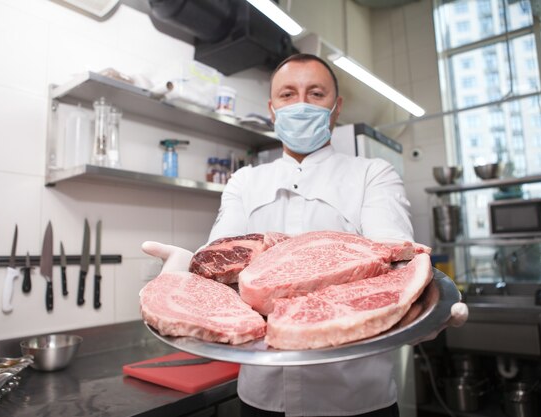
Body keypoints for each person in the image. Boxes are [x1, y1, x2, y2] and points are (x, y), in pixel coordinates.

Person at [142, 53, 468, 417]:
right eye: (287, 94)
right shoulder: (245, 181)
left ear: (336, 107)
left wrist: (421, 312)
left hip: (355, 396)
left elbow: (397, 258)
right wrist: (186, 273)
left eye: (315, 94)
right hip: (262, 396)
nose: (301, 104)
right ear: (272, 108)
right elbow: (217, 262)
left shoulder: (372, 174)